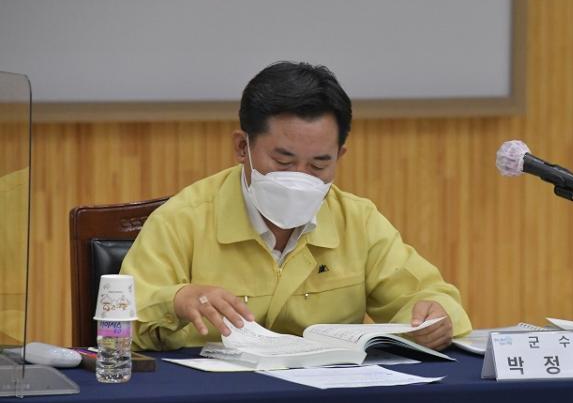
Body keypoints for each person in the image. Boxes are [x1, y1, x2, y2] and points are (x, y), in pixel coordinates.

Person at [121, 61, 471, 351]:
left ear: (339, 156)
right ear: (242, 147)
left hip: (327, 399)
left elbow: (429, 295)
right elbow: (120, 320)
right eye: (283, 161)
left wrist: (434, 317)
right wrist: (177, 300)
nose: (300, 178)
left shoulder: (357, 221)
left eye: (319, 164)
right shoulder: (183, 219)